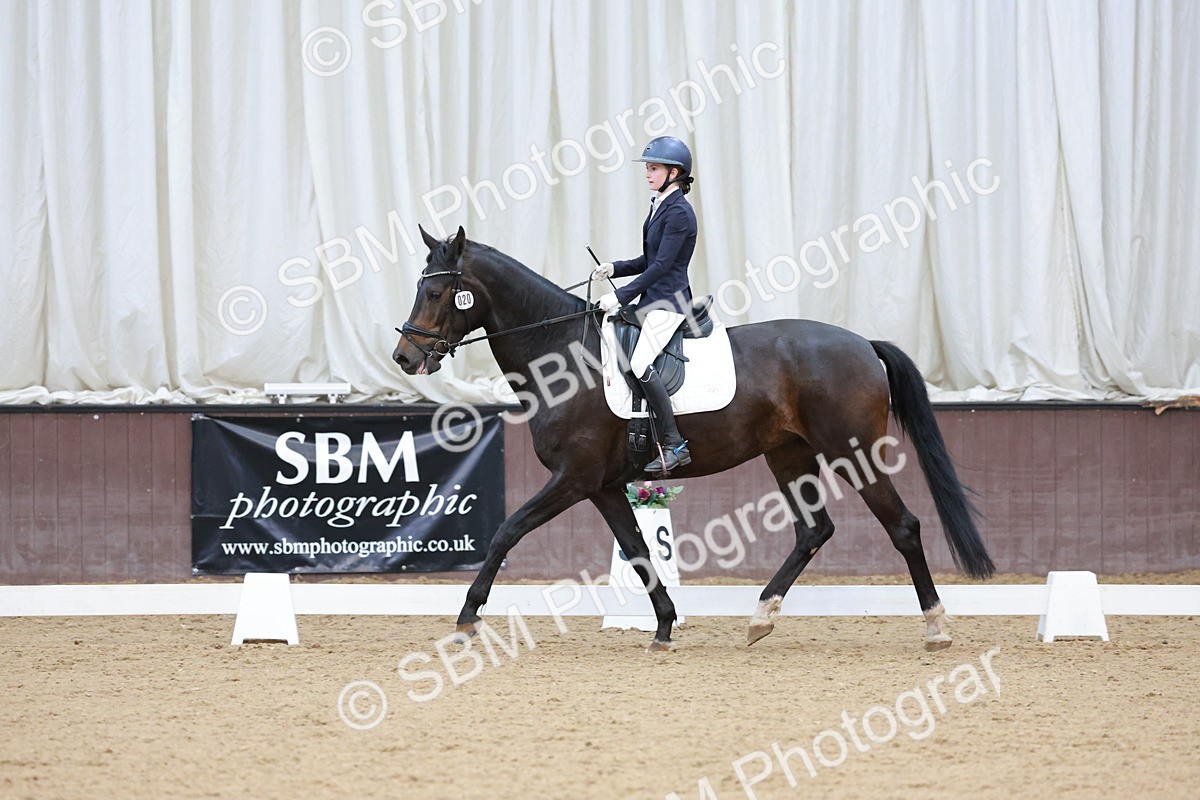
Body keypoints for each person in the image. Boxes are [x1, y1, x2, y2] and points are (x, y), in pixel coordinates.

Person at [594, 135, 698, 473]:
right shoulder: (660, 205)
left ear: (675, 172)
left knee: (640, 363)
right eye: (648, 168)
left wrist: (620, 294)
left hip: (670, 303)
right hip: (652, 299)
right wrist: (614, 268)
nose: (648, 173)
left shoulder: (680, 212)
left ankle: (674, 443)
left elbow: (663, 266)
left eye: (654, 168)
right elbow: (647, 259)